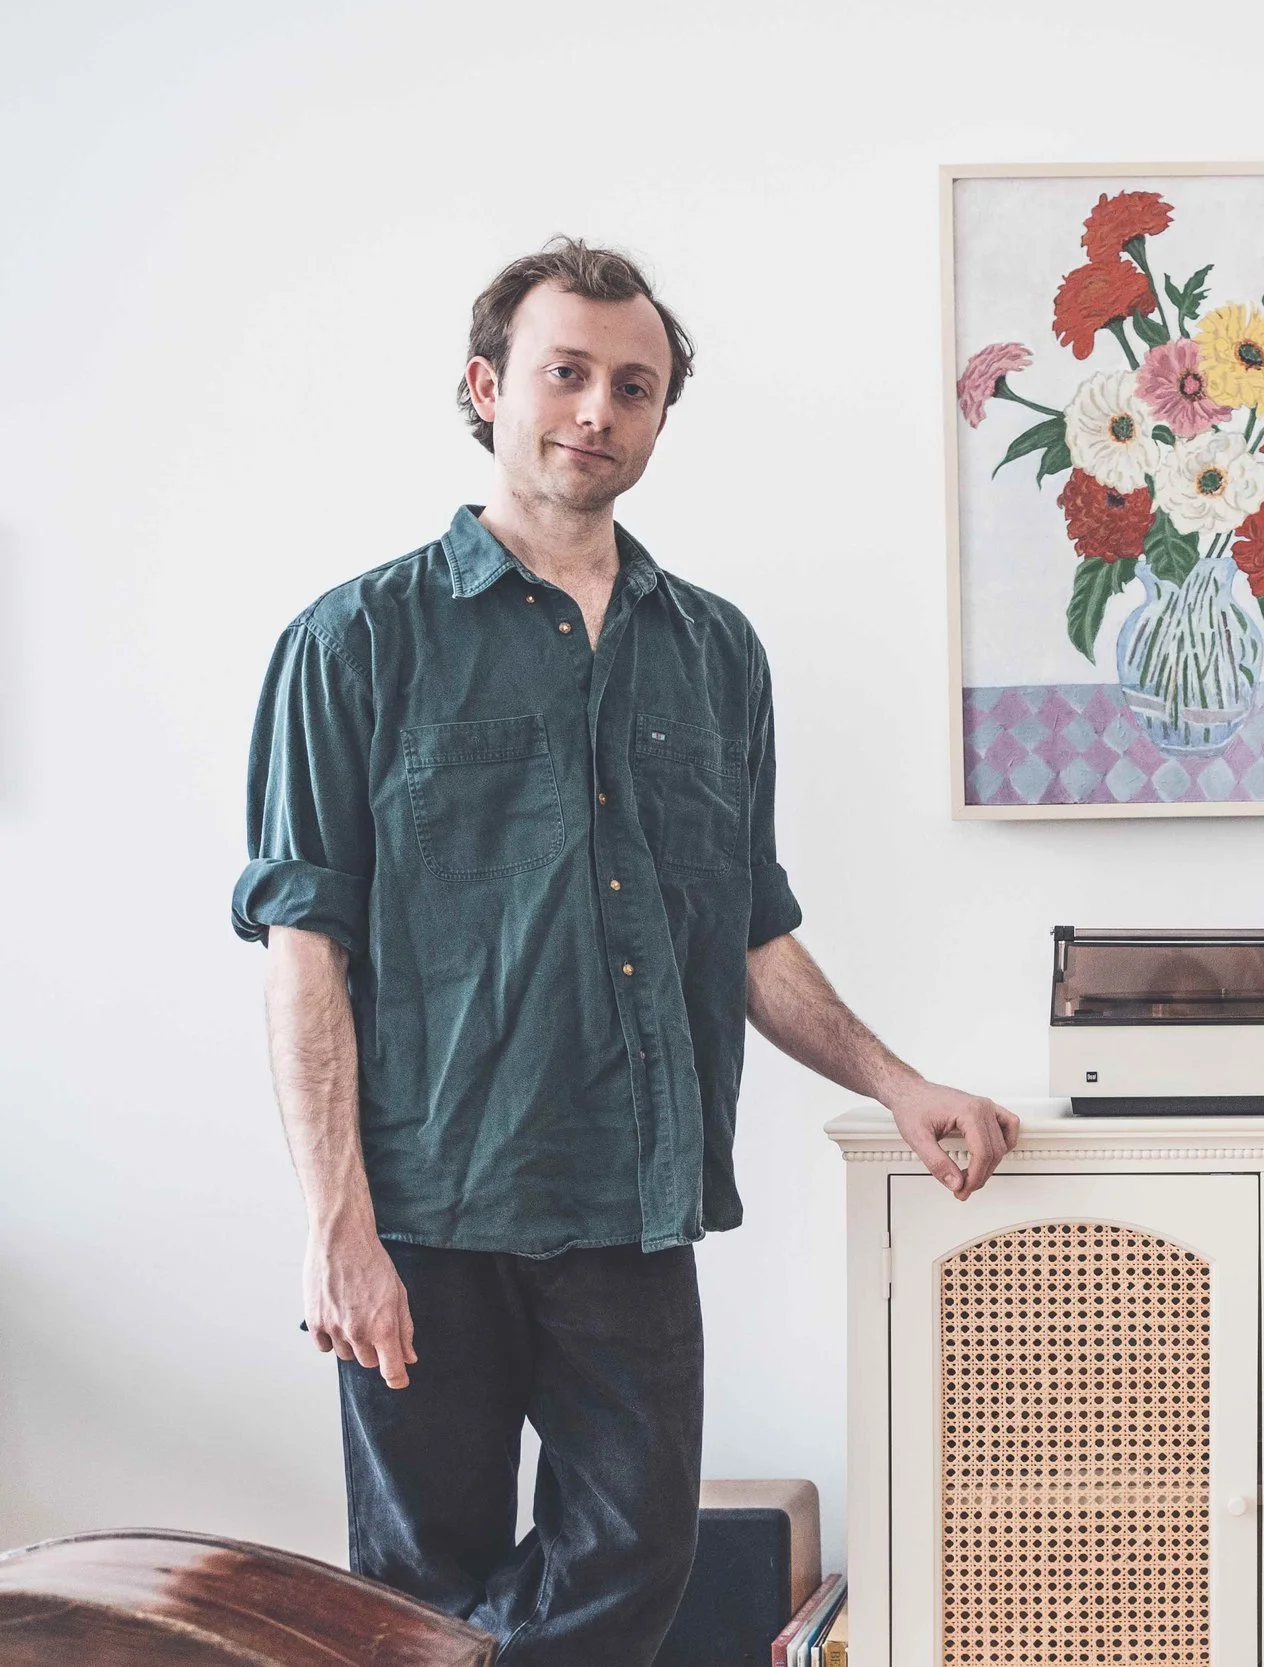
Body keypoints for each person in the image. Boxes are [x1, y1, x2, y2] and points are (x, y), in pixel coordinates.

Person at [231, 238, 1021, 1665]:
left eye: (635, 386)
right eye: (567, 373)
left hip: (631, 1194)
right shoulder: (352, 644)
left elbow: (749, 930)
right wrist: (335, 1226)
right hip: (426, 1207)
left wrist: (899, 1084)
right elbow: (305, 956)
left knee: (640, 1555)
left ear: (662, 415)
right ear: (490, 388)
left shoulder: (716, 654)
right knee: (420, 1589)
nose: (599, 410)